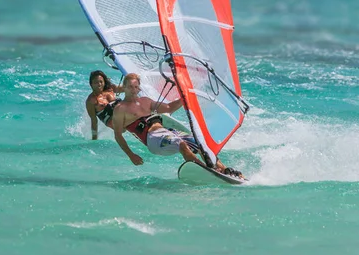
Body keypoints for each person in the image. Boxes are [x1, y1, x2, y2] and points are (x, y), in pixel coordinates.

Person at [112, 73, 243, 177]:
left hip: (167, 132)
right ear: (124, 87)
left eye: (136, 87)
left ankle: (224, 169)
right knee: (181, 144)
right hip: (152, 140)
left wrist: (185, 96)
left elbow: (169, 107)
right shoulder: (120, 108)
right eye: (130, 87)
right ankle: (207, 170)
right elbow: (118, 135)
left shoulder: (146, 101)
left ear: (139, 87)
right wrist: (131, 155)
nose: (133, 90)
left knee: (199, 143)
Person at [85, 70, 124, 140]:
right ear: (91, 84)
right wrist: (94, 139)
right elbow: (94, 120)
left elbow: (125, 89)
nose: (99, 84)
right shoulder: (91, 101)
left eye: (101, 82)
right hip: (113, 122)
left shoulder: (110, 89)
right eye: (96, 82)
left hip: (123, 115)